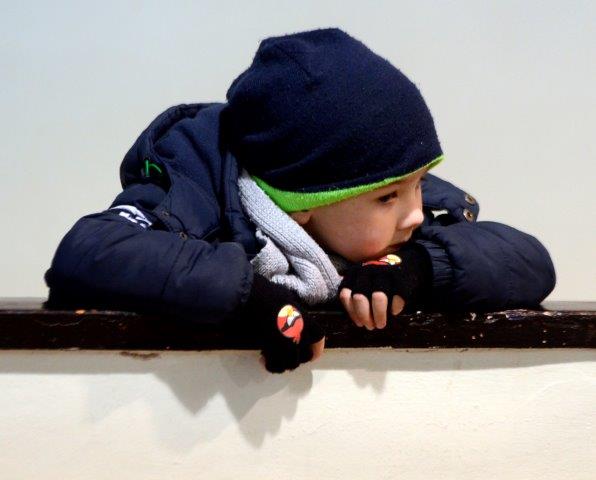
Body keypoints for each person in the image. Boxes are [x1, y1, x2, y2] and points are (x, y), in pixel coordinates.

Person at [44, 28, 556, 373]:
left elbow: (531, 262)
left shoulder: (404, 219)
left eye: (420, 183)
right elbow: (86, 251)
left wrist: (418, 267)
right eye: (388, 198)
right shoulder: (190, 196)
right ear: (303, 203)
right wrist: (244, 295)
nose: (416, 212)